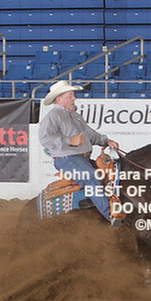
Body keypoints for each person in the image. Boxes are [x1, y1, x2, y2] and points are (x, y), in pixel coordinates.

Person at [38, 80, 121, 226]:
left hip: (81, 159)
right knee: (91, 177)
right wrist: (69, 141)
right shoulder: (53, 116)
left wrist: (105, 141)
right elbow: (44, 138)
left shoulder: (75, 116)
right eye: (70, 96)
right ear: (59, 99)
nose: (74, 98)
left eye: (73, 95)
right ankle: (110, 214)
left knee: (110, 174)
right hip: (67, 159)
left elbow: (89, 134)